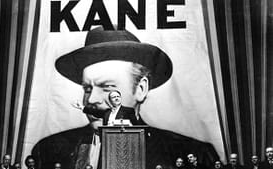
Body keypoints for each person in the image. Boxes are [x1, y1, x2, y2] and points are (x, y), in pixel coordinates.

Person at [32, 26, 219, 169]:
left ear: (141, 88)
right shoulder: (49, 151)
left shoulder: (193, 154)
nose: (91, 100)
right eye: (87, 88)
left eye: (107, 87)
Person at [73, 90, 140, 126]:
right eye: (114, 97)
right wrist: (82, 107)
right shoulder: (106, 112)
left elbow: (136, 126)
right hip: (108, 141)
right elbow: (94, 112)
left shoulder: (128, 111)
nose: (116, 98)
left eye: (118, 96)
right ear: (110, 100)